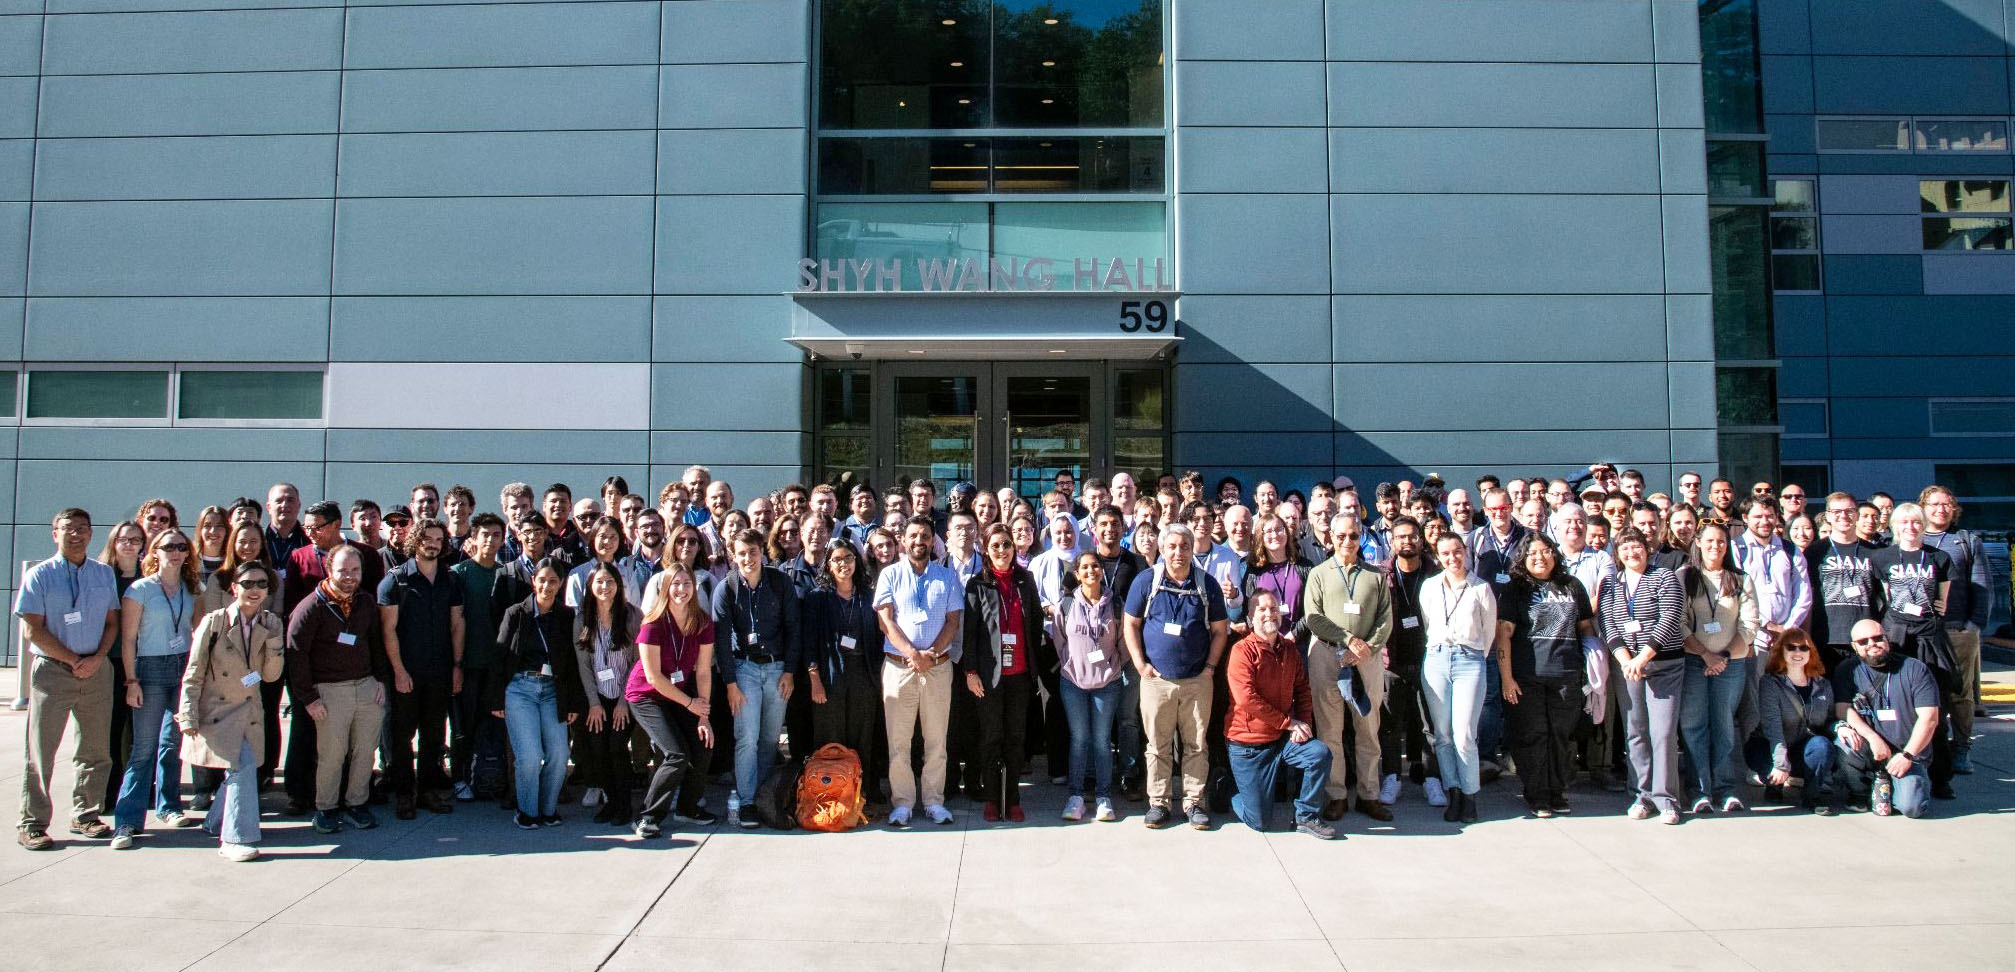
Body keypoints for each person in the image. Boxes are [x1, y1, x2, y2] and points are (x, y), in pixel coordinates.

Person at [16, 509, 121, 850]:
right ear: (54, 534)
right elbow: (32, 628)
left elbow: (111, 623)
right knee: (41, 751)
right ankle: (32, 823)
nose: (75, 534)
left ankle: (86, 814)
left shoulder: (103, 574)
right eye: (68, 529)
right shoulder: (39, 575)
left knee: (95, 750)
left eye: (82, 529)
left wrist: (97, 658)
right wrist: (74, 660)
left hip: (96, 671)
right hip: (52, 672)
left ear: (91, 533)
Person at [1123, 523, 1228, 830]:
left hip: (1197, 680)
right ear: (1162, 548)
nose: (1178, 552)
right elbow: (1130, 624)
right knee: (1158, 744)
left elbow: (1220, 631)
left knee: (1196, 744)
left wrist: (1210, 668)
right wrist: (1141, 665)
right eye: (1172, 546)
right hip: (1157, 680)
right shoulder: (1147, 581)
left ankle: (1194, 802)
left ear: (1192, 548)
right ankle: (1159, 802)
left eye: (1184, 546)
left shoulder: (1206, 584)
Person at [177, 562, 285, 861]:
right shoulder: (214, 623)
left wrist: (275, 642)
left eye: (262, 584)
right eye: (248, 583)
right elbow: (193, 673)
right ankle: (236, 838)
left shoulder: (269, 623)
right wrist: (187, 715)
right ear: (234, 588)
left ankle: (216, 821)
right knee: (243, 767)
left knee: (242, 766)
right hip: (218, 710)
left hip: (250, 710)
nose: (255, 590)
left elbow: (271, 676)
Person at [286, 545, 388, 835]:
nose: (350, 577)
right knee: (332, 753)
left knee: (364, 751)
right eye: (343, 570)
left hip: (366, 686)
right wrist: (309, 698)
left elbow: (376, 643)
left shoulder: (366, 602)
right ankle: (326, 808)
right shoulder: (310, 607)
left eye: (355, 571)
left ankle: (357, 803)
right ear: (329, 570)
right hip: (329, 690)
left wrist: (380, 680)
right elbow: (296, 656)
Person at [111, 529, 202, 849]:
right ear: (154, 552)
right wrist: (131, 680)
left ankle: (169, 806)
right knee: (144, 749)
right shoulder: (139, 590)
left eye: (181, 547)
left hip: (181, 667)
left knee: (172, 744)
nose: (175, 552)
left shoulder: (192, 589)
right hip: (148, 670)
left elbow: (199, 632)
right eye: (168, 547)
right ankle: (126, 821)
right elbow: (128, 640)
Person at [1302, 513, 1393, 823]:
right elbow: (1313, 617)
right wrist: (1346, 639)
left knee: (1368, 730)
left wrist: (1364, 648)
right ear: (1331, 538)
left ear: (1360, 537)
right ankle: (1336, 794)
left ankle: (1369, 794)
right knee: (1330, 731)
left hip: (1365, 660)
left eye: (1353, 536)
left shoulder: (1376, 576)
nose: (1347, 542)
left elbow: (1385, 620)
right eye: (1340, 536)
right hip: (1327, 656)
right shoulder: (1318, 574)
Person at [1496, 532, 1594, 819]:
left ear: (1555, 553)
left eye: (1545, 551)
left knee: (1560, 735)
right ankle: (1538, 795)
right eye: (1533, 553)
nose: (1540, 557)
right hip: (1527, 675)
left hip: (1567, 673)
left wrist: (1593, 662)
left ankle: (1558, 791)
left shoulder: (1572, 585)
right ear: (1523, 558)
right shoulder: (1516, 589)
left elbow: (1586, 627)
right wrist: (1506, 678)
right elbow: (1504, 635)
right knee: (1533, 736)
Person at [875, 516, 964, 827]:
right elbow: (885, 621)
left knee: (936, 740)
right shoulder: (889, 575)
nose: (918, 541)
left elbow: (953, 622)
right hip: (899, 668)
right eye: (913, 535)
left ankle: (933, 801)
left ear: (932, 541)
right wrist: (914, 655)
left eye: (924, 536)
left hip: (938, 670)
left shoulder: (946, 577)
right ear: (904, 541)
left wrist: (932, 654)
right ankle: (902, 803)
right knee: (898, 741)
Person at [1224, 591, 1337, 839]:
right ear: (1251, 617)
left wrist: (1304, 725)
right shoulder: (1241, 652)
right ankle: (1227, 788)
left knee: (1319, 753)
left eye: (1273, 608)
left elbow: (1303, 691)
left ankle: (1306, 816)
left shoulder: (1290, 650)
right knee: (1260, 822)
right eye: (1262, 609)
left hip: (1282, 740)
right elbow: (1247, 699)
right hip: (1249, 746)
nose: (1269, 614)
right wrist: (1288, 723)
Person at [711, 528, 801, 828]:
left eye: (753, 552)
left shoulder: (779, 582)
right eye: (741, 553)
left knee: (769, 739)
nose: (748, 558)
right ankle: (748, 801)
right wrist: (730, 684)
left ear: (762, 551)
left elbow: (793, 628)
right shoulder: (726, 589)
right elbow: (721, 641)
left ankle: (765, 797)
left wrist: (789, 670)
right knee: (746, 738)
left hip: (777, 669)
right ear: (732, 556)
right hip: (744, 670)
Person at [1599, 528, 1689, 824]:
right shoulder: (1611, 582)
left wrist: (1642, 657)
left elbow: (1670, 617)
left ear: (1647, 549)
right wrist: (1626, 660)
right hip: (1627, 668)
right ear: (1618, 553)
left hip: (1664, 666)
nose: (1631, 553)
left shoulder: (1664, 577)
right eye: (1624, 549)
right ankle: (1642, 795)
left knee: (1662, 733)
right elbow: (1608, 623)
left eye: (1636, 547)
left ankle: (1666, 799)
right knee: (1635, 732)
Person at [378, 519, 466, 820]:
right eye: (427, 538)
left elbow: (457, 624)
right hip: (406, 672)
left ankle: (428, 791)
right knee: (401, 735)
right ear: (415, 541)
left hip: (440, 671)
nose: (433, 543)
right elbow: (388, 631)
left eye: (439, 539)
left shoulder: (450, 580)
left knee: (433, 733)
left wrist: (456, 666)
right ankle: (405, 793)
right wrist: (399, 671)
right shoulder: (395, 581)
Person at [1869, 502, 1956, 799]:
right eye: (1904, 521)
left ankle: (1940, 776)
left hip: (1930, 639)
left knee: (1934, 705)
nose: (1910, 526)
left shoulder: (1939, 558)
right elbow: (1887, 596)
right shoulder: (1883, 558)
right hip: (1898, 635)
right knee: (1896, 698)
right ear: (1894, 526)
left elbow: (1942, 603)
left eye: (1916, 521)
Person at [960, 524, 1045, 822]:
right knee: (991, 738)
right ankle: (993, 798)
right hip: (988, 677)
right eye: (995, 545)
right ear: (985, 549)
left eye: (1006, 544)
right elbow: (968, 633)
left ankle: (1014, 799)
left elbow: (1034, 626)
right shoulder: (977, 584)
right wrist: (970, 671)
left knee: (1015, 738)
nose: (1002, 551)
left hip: (1020, 676)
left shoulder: (1026, 579)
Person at [628, 565, 718, 837]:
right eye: (675, 584)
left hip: (679, 693)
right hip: (646, 695)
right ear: (665, 588)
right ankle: (647, 816)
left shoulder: (702, 622)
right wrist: (691, 704)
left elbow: (702, 671)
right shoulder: (653, 624)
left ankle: (687, 808)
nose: (681, 589)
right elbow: (654, 678)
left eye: (686, 583)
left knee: (703, 745)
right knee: (676, 754)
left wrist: (703, 715)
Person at [490, 558, 581, 828]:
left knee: (559, 753)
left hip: (553, 690)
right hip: (521, 689)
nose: (547, 586)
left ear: (561, 584)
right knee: (528, 756)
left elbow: (573, 663)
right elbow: (500, 656)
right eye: (542, 580)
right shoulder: (516, 613)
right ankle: (527, 811)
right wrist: (496, 698)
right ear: (533, 581)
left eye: (553, 581)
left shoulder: (566, 617)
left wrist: (574, 701)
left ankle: (548, 808)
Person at [1678, 521, 1760, 814]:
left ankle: (1725, 789)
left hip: (1731, 663)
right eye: (1710, 541)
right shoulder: (1685, 577)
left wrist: (1723, 655)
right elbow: (1680, 623)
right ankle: (1699, 791)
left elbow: (1749, 624)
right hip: (1693, 662)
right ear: (1698, 543)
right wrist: (1705, 655)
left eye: (1722, 542)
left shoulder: (1740, 579)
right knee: (1694, 726)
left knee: (1724, 726)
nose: (1716, 546)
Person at [1420, 532, 1497, 824]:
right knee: (1442, 734)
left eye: (1457, 552)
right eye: (1445, 553)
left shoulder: (1481, 588)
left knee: (1464, 733)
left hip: (1469, 660)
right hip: (1437, 659)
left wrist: (1472, 652)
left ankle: (1469, 793)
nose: (1452, 558)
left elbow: (1488, 632)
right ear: (1437, 556)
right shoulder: (1429, 587)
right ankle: (1452, 790)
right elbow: (1429, 622)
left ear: (1465, 552)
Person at [1831, 620, 1939, 818]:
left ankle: (1903, 783)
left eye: (1878, 638)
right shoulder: (1847, 670)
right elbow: (1842, 709)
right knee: (1843, 742)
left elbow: (1929, 718)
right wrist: (1873, 739)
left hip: (1908, 753)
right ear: (1854, 647)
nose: (1872, 644)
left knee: (1911, 808)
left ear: (1887, 639)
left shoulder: (1915, 669)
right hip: (1871, 749)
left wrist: (1907, 755)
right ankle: (1860, 792)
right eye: (1863, 641)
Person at [1919, 485, 1986, 776]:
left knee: (1960, 694)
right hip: (1922, 631)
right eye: (1934, 504)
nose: (1941, 509)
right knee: (1928, 693)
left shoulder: (1965, 541)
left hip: (1958, 630)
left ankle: (1961, 748)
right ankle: (1933, 747)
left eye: (1947, 504)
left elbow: (1981, 587)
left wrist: (1973, 626)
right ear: (1923, 507)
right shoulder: (1912, 539)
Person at [1055, 551, 1124, 822]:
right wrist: (1069, 662)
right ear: (1076, 573)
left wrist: (1113, 664)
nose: (1091, 571)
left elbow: (1123, 641)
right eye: (1084, 567)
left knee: (1102, 741)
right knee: (1079, 740)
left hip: (1107, 683)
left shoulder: (1115, 604)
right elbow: (1059, 638)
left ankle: (1104, 796)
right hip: (1073, 682)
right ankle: (1076, 796)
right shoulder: (1067, 604)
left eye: (1095, 566)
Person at [804, 539, 883, 769]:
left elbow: (879, 639)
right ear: (828, 564)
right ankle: (832, 791)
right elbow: (809, 642)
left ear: (856, 561)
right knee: (831, 734)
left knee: (863, 734)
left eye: (848, 558)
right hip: (829, 674)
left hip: (863, 673)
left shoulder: (869, 596)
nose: (844, 564)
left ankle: (862, 789)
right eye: (837, 559)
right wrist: (814, 679)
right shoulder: (817, 598)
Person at [1377, 515, 1437, 807]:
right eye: (1401, 536)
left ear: (1421, 539)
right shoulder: (1382, 575)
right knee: (1390, 725)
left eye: (1412, 536)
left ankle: (1431, 778)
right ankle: (1391, 777)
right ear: (1392, 541)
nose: (1407, 541)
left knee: (1430, 724)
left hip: (1429, 661)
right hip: (1393, 660)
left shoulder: (1435, 574)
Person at [574, 562, 639, 825]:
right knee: (598, 749)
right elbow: (584, 665)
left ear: (618, 586)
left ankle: (624, 805)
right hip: (598, 697)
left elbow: (638, 662)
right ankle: (611, 802)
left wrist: (624, 701)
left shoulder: (632, 615)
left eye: (610, 582)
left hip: (627, 695)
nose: (605, 587)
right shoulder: (581, 619)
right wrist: (593, 703)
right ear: (590, 586)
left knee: (617, 747)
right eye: (599, 582)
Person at [450, 513, 508, 802]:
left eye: (496, 535)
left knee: (496, 724)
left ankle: (491, 777)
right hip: (468, 664)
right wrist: (456, 665)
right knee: (465, 725)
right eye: (484, 534)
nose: (490, 540)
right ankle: (459, 778)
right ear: (473, 539)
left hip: (496, 667)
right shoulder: (458, 573)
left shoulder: (506, 574)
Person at [1747, 627, 1836, 813]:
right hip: (1769, 747)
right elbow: (1773, 726)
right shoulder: (1770, 683)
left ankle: (1812, 796)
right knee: (1765, 759)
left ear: (1811, 652)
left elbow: (1828, 721)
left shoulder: (1823, 685)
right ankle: (1774, 784)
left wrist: (1841, 727)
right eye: (1791, 648)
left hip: (1803, 746)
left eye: (1804, 648)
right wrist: (1780, 765)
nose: (1798, 653)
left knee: (1822, 745)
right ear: (1781, 652)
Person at [1807, 492, 1881, 673]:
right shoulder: (1814, 551)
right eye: (1837, 511)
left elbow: (1882, 595)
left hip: (1865, 637)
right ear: (1828, 516)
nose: (1844, 516)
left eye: (1849, 511)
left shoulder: (1874, 552)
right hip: (1827, 636)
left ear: (1856, 515)